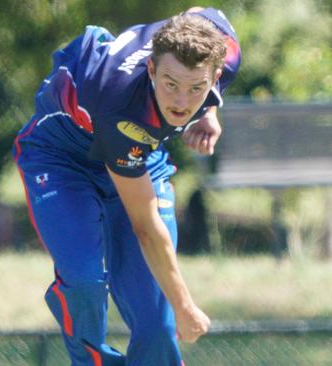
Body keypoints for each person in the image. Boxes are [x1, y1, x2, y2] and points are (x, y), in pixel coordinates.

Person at [13, 6, 240, 365]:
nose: (181, 103)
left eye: (196, 88)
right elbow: (146, 229)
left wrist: (209, 114)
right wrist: (185, 307)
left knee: (159, 330)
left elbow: (201, 10)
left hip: (138, 156)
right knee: (85, 280)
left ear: (215, 76)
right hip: (62, 160)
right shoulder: (121, 108)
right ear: (151, 68)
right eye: (170, 85)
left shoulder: (223, 49)